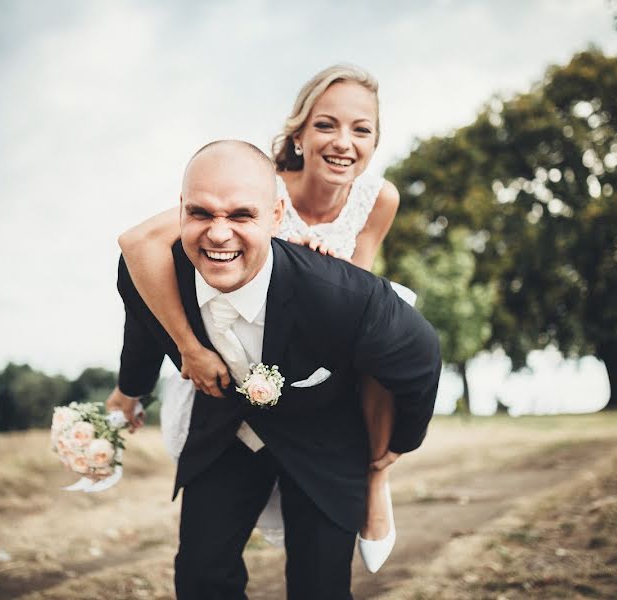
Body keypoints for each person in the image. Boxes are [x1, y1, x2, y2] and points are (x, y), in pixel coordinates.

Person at [108, 140, 441, 599]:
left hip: (325, 440)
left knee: (319, 588)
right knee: (201, 579)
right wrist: (130, 390)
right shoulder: (153, 275)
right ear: (181, 211)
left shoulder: (345, 297)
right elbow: (144, 328)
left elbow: (421, 357)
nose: (218, 235)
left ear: (276, 216)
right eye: (201, 213)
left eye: (241, 215)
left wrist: (395, 447)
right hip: (226, 431)